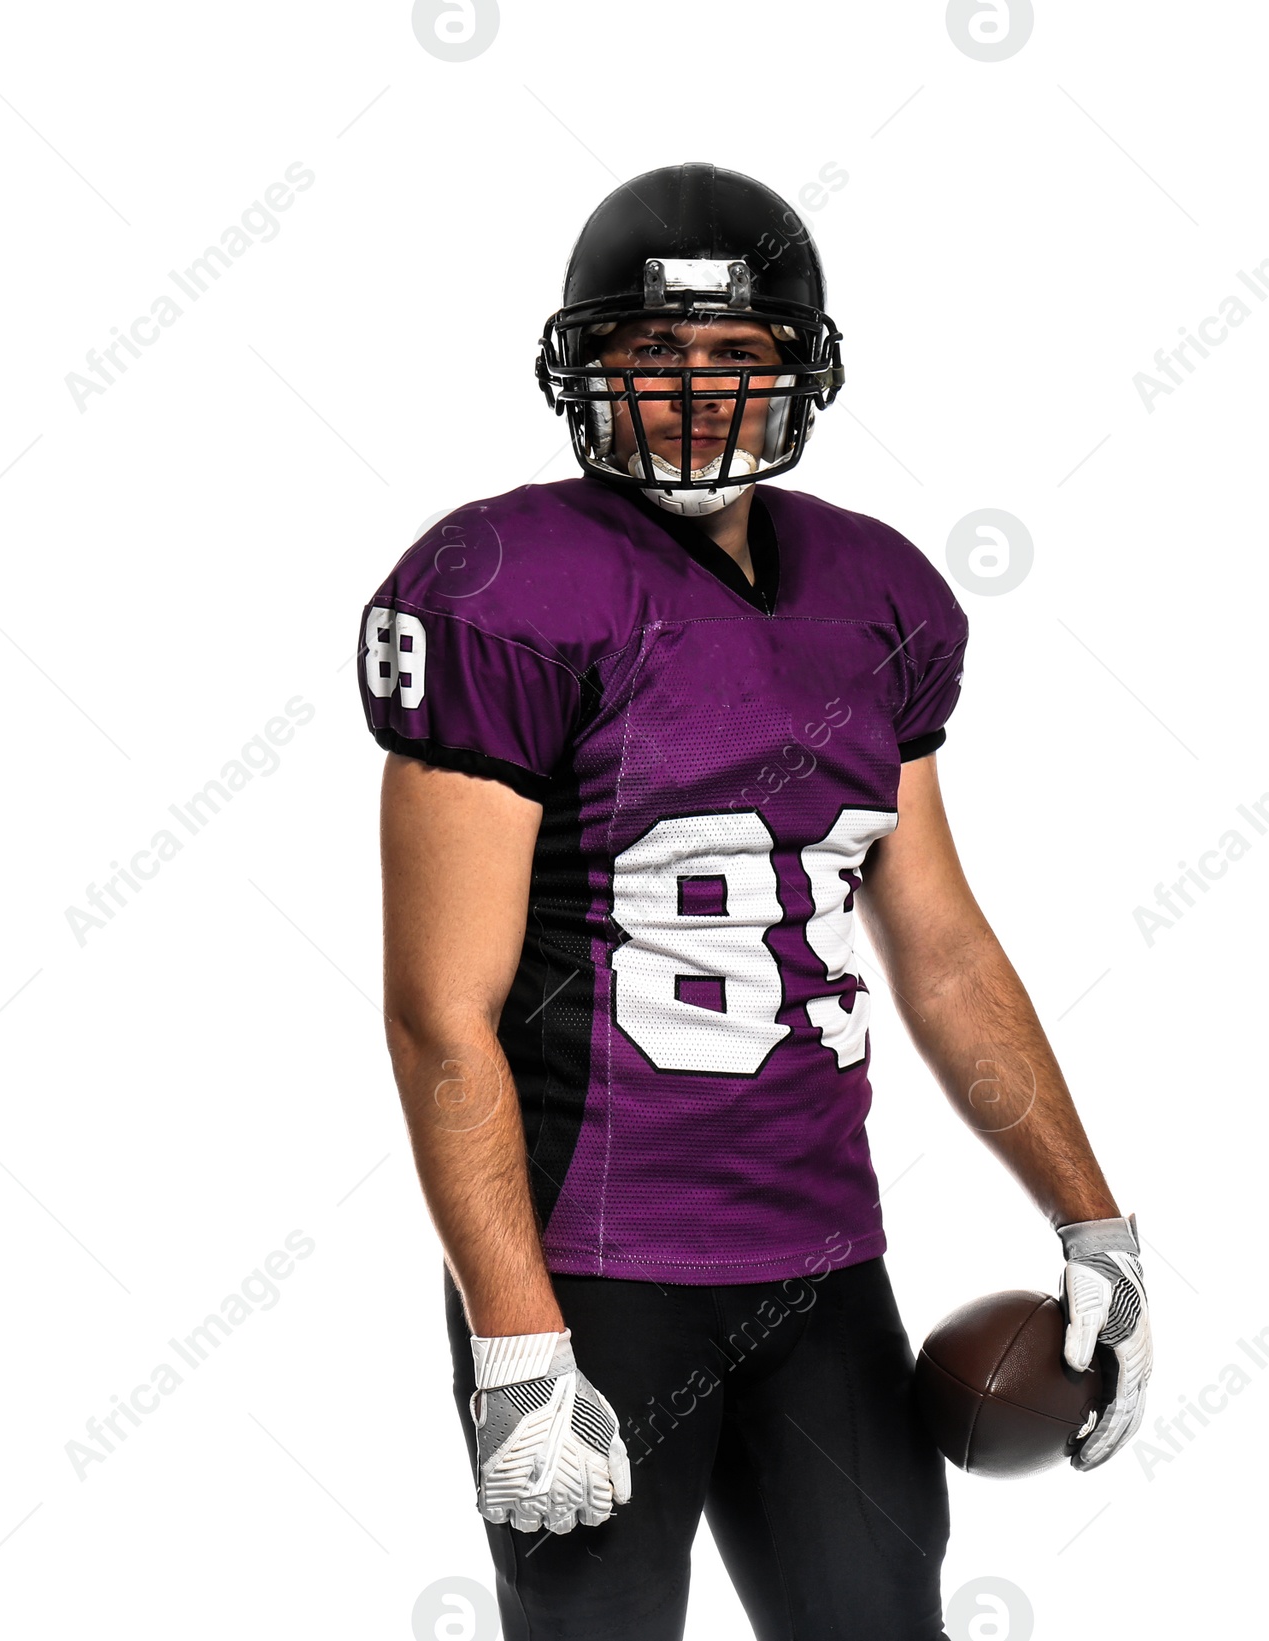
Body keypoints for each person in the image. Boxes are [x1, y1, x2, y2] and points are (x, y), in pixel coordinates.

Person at [360, 162, 1151, 1641]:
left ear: (805, 370)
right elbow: (436, 1011)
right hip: (593, 1271)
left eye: (738, 356)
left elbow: (943, 944)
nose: (697, 395)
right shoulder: (503, 587)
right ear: (586, 372)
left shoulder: (884, 592)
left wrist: (1093, 1220)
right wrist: (515, 1337)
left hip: (820, 1259)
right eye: (653, 358)